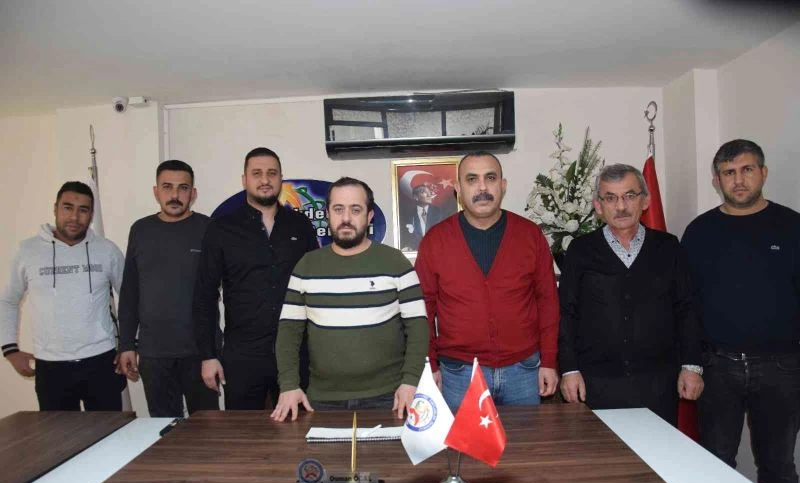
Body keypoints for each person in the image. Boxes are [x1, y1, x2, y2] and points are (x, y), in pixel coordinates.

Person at [682, 139, 800, 483]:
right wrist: (692, 363)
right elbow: (687, 305)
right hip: (717, 366)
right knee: (715, 462)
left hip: (782, 367)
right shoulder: (699, 232)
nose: (738, 180)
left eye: (747, 170)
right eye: (728, 172)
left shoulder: (792, 226)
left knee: (779, 465)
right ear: (717, 180)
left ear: (763, 173)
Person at [270, 177, 427, 422]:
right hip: (322, 400)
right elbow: (289, 332)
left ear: (369, 215)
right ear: (327, 214)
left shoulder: (395, 263)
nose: (346, 218)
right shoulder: (306, 266)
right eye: (338, 209)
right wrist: (289, 384)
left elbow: (418, 327)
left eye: (355, 210)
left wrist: (411, 381)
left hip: (390, 398)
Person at [558, 163, 703, 425]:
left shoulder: (669, 247)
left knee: (658, 450)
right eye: (610, 198)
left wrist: (692, 366)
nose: (621, 206)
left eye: (629, 196)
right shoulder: (580, 250)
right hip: (597, 383)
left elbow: (686, 308)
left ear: (645, 201)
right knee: (603, 451)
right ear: (598, 205)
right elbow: (566, 313)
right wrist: (569, 369)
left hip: (658, 383)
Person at [415, 151, 560, 410]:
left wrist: (549, 360)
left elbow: (548, 301)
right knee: (462, 440)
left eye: (490, 178)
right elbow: (423, 308)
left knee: (526, 438)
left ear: (503, 185)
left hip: (524, 371)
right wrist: (430, 364)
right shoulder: (435, 241)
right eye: (472, 179)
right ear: (458, 189)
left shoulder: (530, 235)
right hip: (459, 375)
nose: (482, 187)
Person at [193, 147, 318, 410]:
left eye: (271, 173)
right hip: (243, 355)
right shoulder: (221, 228)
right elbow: (204, 295)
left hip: (295, 352)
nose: (265, 180)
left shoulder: (300, 226)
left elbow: (316, 288)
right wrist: (208, 355)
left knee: (299, 425)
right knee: (243, 430)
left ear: (280, 178)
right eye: (257, 173)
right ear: (244, 180)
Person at [0, 181, 125, 410]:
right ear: (55, 208)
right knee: (58, 433)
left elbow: (130, 298)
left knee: (109, 429)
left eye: (83, 210)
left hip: (101, 362)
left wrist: (128, 345)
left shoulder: (107, 250)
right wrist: (10, 349)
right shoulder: (28, 251)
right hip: (51, 367)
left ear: (91, 214)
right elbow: (7, 300)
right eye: (68, 208)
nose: (74, 217)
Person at [116, 160, 219, 418]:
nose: (175, 195)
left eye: (183, 188)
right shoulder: (140, 230)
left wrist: (215, 352)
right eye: (167, 187)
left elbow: (223, 288)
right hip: (154, 354)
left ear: (193, 193)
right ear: (156, 191)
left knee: (208, 428)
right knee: (164, 429)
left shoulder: (209, 228)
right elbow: (130, 292)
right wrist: (126, 344)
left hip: (200, 352)